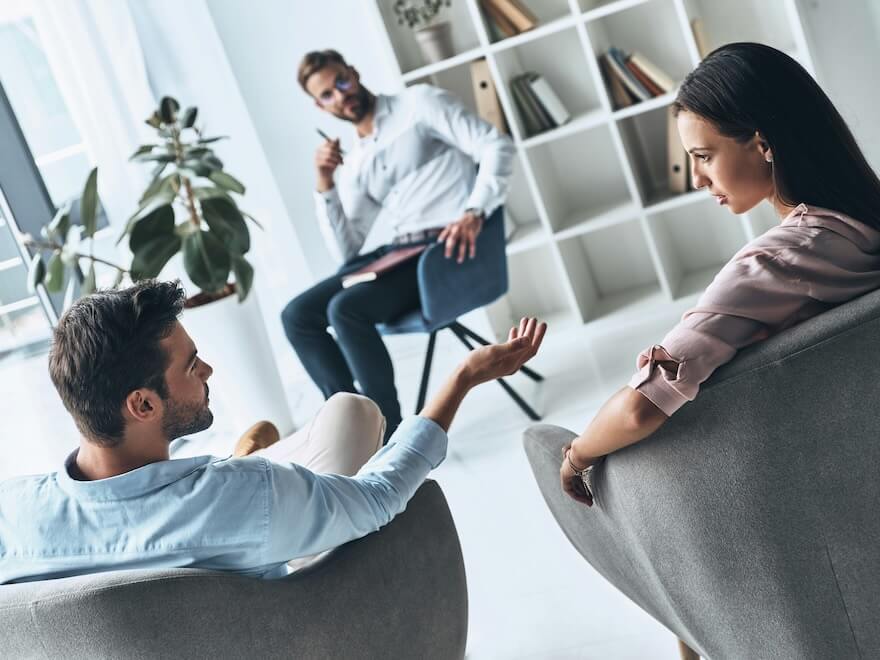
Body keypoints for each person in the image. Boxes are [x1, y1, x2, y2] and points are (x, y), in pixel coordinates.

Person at [0, 279, 546, 584]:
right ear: (142, 403)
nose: (208, 371)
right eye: (192, 366)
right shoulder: (236, 497)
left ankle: (250, 449)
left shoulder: (13, 517)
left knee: (330, 425)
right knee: (352, 416)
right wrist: (462, 377)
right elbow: (379, 498)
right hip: (292, 616)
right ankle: (255, 452)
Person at [560, 42, 880, 505]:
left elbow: (638, 410)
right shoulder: (862, 222)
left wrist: (576, 454)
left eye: (704, 156)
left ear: (764, 144)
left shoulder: (773, 262)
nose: (695, 179)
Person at [281, 49, 515, 441]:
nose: (340, 96)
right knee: (296, 316)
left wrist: (475, 211)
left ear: (354, 72)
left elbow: (496, 145)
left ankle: (383, 434)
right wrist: (325, 185)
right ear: (320, 107)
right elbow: (348, 251)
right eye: (327, 95)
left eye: (342, 82)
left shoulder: (419, 104)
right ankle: (349, 422)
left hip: (443, 251)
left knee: (346, 310)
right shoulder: (356, 161)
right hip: (398, 253)